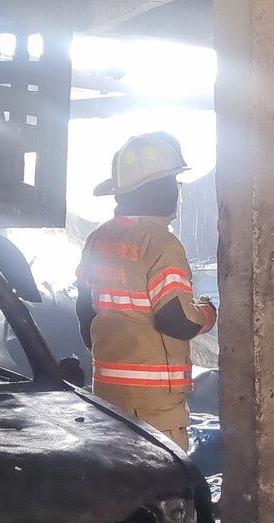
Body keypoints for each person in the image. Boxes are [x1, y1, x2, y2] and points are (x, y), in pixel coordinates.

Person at [76, 133, 215, 448]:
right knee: (162, 482)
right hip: (155, 403)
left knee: (121, 476)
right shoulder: (161, 243)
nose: (176, 193)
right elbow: (176, 320)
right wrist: (207, 312)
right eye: (173, 184)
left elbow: (85, 312)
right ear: (159, 190)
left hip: (108, 392)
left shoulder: (98, 238)